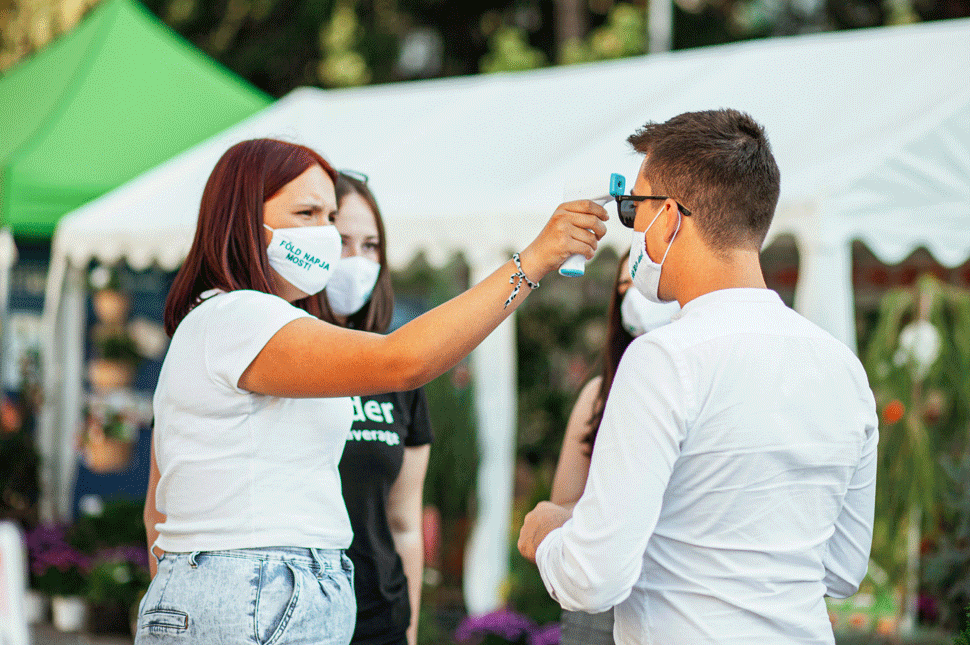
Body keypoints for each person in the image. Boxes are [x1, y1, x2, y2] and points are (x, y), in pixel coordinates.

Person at [140, 138, 608, 645]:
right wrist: (532, 262)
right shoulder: (239, 316)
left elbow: (159, 509)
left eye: (330, 217)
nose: (324, 234)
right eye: (306, 213)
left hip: (254, 587)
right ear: (243, 220)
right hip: (254, 586)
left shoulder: (230, 320)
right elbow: (404, 361)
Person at [518, 109, 878, 645]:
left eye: (631, 209)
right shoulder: (842, 367)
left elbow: (593, 579)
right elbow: (844, 569)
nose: (631, 231)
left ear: (667, 218)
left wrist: (547, 533)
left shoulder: (664, 359)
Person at [322, 171, 431, 645]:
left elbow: (405, 524)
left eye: (370, 246)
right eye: (341, 242)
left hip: (379, 621)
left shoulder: (394, 371)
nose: (357, 261)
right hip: (289, 618)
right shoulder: (268, 356)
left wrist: (408, 633)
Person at [549, 250, 678, 645]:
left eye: (641, 283)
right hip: (604, 601)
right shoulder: (598, 395)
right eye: (624, 287)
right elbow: (562, 503)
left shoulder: (696, 383)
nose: (633, 296)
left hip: (672, 599)